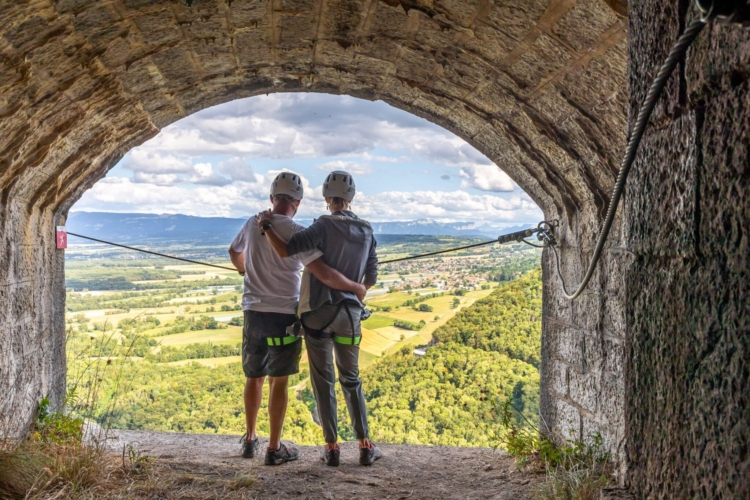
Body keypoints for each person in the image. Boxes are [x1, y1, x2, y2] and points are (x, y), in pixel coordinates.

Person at [229, 172, 366, 466]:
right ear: (298, 202)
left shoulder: (252, 223)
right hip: (284, 315)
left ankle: (250, 439)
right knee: (279, 382)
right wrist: (356, 287)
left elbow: (234, 252)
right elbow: (323, 272)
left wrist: (245, 270)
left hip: (252, 310)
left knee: (254, 377)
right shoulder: (296, 231)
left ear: (271, 198)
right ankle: (274, 448)